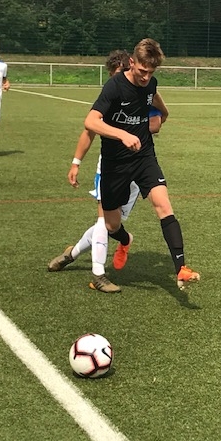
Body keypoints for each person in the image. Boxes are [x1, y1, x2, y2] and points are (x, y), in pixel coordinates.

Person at [83, 38, 200, 290]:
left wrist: (163, 114)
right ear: (132, 62)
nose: (146, 77)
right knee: (111, 224)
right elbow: (91, 121)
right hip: (115, 164)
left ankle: (181, 268)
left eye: (151, 72)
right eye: (142, 70)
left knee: (164, 205)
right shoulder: (114, 86)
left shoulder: (151, 84)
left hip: (144, 157)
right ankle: (125, 240)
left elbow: (156, 101)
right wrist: (122, 135)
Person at [47, 50, 163, 293]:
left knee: (111, 225)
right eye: (112, 77)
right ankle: (98, 275)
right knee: (103, 220)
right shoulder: (111, 94)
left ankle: (72, 253)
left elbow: (158, 120)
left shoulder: (142, 92)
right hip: (110, 165)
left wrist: (138, 126)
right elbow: (89, 130)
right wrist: (76, 162)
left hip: (137, 167)